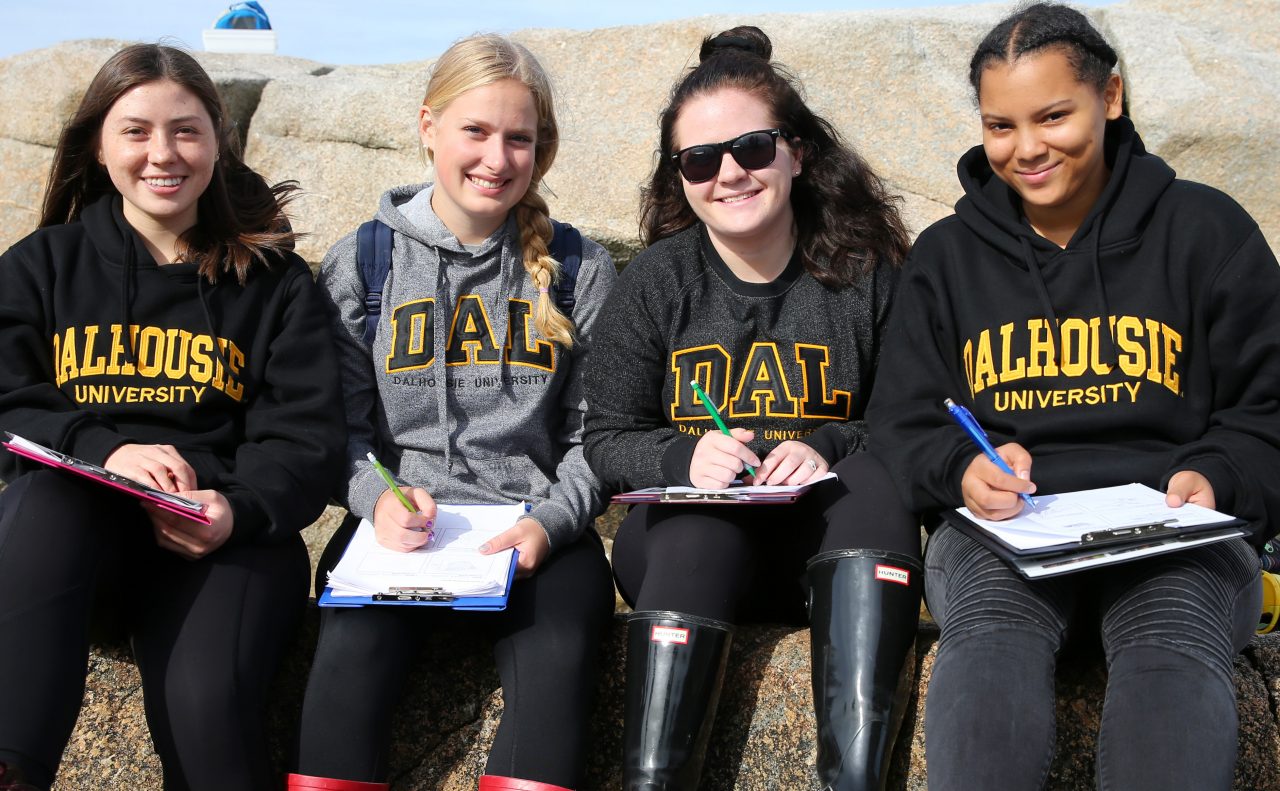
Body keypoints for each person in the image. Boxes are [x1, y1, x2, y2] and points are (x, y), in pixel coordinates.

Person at [865, 4, 1280, 789]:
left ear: (1111, 96)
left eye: (1053, 115)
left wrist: (1218, 474)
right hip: (1008, 532)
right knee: (987, 635)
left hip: (1177, 531)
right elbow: (903, 417)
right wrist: (961, 466)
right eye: (1000, 125)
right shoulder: (947, 257)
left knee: (1171, 635)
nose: (1026, 148)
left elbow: (1268, 407)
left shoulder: (1208, 231)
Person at [0, 44, 345, 791]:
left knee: (204, 704)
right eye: (136, 131)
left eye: (186, 130)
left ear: (218, 140)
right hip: (79, 547)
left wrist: (236, 507)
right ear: (99, 143)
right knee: (46, 497)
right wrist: (100, 450)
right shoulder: (40, 265)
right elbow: (6, 398)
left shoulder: (275, 282)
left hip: (228, 542)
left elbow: (307, 438)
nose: (163, 154)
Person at [583, 26, 920, 791]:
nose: (729, 173)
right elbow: (606, 436)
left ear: (796, 152)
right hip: (690, 553)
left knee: (873, 483)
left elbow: (909, 419)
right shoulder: (658, 281)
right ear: (681, 176)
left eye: (753, 148)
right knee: (701, 521)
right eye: (700, 159)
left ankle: (854, 779)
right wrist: (682, 456)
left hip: (835, 548)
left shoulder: (868, 272)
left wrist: (831, 443)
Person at [289, 34, 618, 791]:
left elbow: (594, 433)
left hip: (538, 533)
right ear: (428, 126)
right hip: (399, 534)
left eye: (519, 139)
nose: (496, 158)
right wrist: (379, 501)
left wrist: (550, 520)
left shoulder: (579, 267)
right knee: (340, 670)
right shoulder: (362, 262)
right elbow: (338, 429)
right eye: (476, 131)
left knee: (560, 661)